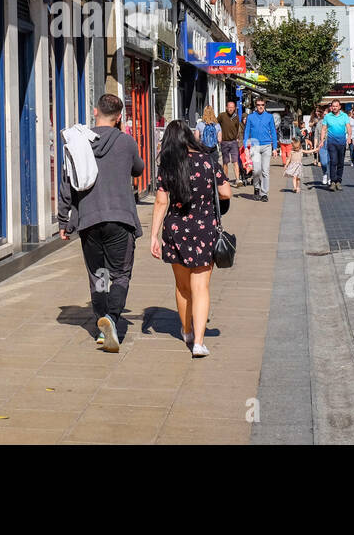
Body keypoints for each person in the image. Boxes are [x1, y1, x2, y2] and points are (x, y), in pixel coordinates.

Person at [56, 93, 145, 353]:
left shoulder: (78, 142)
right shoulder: (126, 142)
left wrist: (64, 220)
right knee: (120, 273)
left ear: (95, 112)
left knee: (99, 274)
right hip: (120, 218)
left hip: (90, 218)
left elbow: (67, 183)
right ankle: (113, 320)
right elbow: (138, 169)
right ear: (119, 118)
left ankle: (100, 324)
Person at [150, 121, 233, 358]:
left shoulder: (168, 166)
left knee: (183, 286)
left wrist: (154, 236)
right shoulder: (208, 161)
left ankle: (186, 330)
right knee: (201, 287)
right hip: (205, 229)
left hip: (176, 230)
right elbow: (226, 192)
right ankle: (198, 342)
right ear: (190, 137)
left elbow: (160, 202)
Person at [242, 96, 279, 201]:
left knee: (265, 171)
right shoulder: (250, 117)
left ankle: (264, 194)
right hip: (255, 146)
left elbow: (273, 132)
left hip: (267, 146)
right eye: (258, 105)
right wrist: (245, 146)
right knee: (256, 170)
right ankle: (256, 187)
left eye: (262, 105)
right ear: (255, 105)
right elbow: (246, 132)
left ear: (265, 105)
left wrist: (275, 148)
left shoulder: (269, 117)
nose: (260, 107)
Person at [319, 100, 352, 191]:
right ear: (331, 107)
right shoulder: (328, 117)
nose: (334, 108)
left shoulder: (344, 116)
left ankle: (338, 181)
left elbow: (348, 127)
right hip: (331, 142)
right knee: (333, 161)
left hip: (341, 143)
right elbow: (323, 129)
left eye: (336, 106)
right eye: (333, 106)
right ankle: (333, 181)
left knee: (341, 163)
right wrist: (322, 140)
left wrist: (349, 137)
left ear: (339, 107)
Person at [216, 100, 243, 185]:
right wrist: (218, 136)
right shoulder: (222, 116)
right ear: (226, 108)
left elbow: (237, 128)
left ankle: (237, 179)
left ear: (234, 108)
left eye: (232, 107)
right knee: (225, 162)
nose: (231, 109)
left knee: (235, 161)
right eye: (229, 107)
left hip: (233, 142)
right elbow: (216, 125)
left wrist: (237, 137)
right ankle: (225, 179)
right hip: (224, 142)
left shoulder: (236, 117)